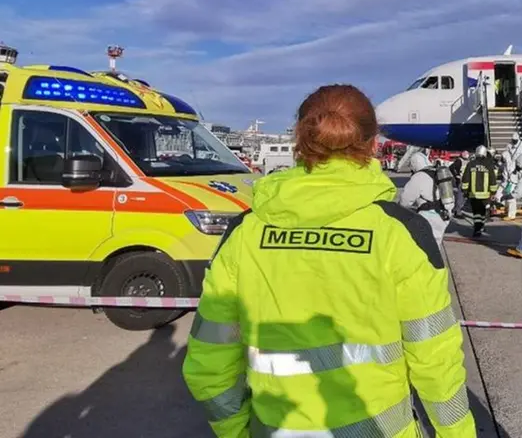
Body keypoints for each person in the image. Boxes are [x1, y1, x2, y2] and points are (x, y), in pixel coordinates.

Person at [182, 84, 476, 438]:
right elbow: (436, 364)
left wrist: (237, 432)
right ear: (372, 144)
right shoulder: (400, 233)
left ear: (299, 141)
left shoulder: (245, 233)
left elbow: (208, 365)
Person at [399, 152, 451, 246]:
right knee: (436, 245)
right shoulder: (437, 172)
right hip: (443, 214)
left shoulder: (419, 176)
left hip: (428, 216)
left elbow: (405, 200)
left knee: (425, 247)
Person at [461, 145, 497, 237]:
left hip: (473, 194)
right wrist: (493, 192)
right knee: (483, 212)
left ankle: (477, 228)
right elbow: (492, 179)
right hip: (485, 195)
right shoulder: (488, 165)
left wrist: (464, 191)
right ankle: (481, 226)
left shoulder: (471, 164)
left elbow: (465, 178)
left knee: (476, 213)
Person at [449, 150, 470, 218]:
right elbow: (451, 167)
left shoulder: (466, 160)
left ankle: (457, 209)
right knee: (461, 196)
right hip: (461, 180)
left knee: (464, 196)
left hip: (466, 180)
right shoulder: (459, 161)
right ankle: (457, 211)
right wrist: (456, 175)